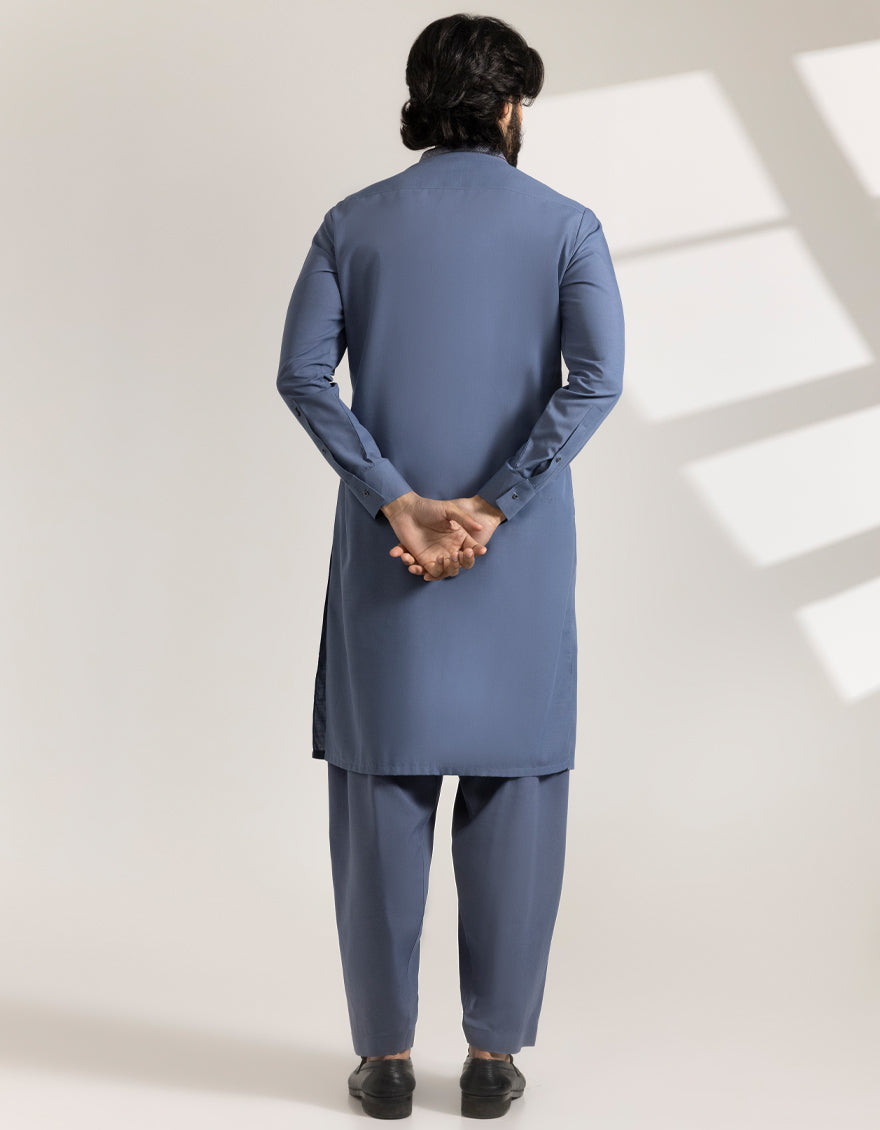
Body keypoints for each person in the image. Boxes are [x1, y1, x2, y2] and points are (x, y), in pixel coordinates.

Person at [275, 12, 625, 1120]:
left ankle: (383, 1061)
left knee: (381, 786)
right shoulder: (566, 225)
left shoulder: (352, 222)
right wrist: (494, 503)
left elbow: (302, 374)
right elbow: (596, 379)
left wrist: (398, 496)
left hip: (392, 550)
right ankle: (490, 1059)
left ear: (424, 102)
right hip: (513, 555)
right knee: (515, 789)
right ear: (510, 107)